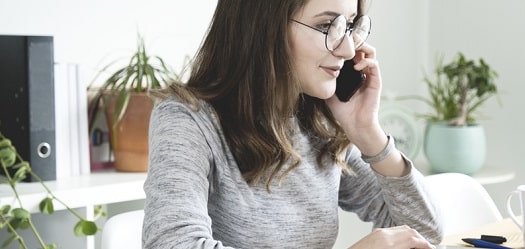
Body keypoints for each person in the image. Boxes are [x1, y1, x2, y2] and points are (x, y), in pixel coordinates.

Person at [143, 0, 444, 248]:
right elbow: (173, 244)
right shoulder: (188, 119)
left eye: (349, 26)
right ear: (263, 30)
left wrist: (368, 132)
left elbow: (424, 233)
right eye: (327, 26)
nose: (349, 50)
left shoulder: (319, 122)